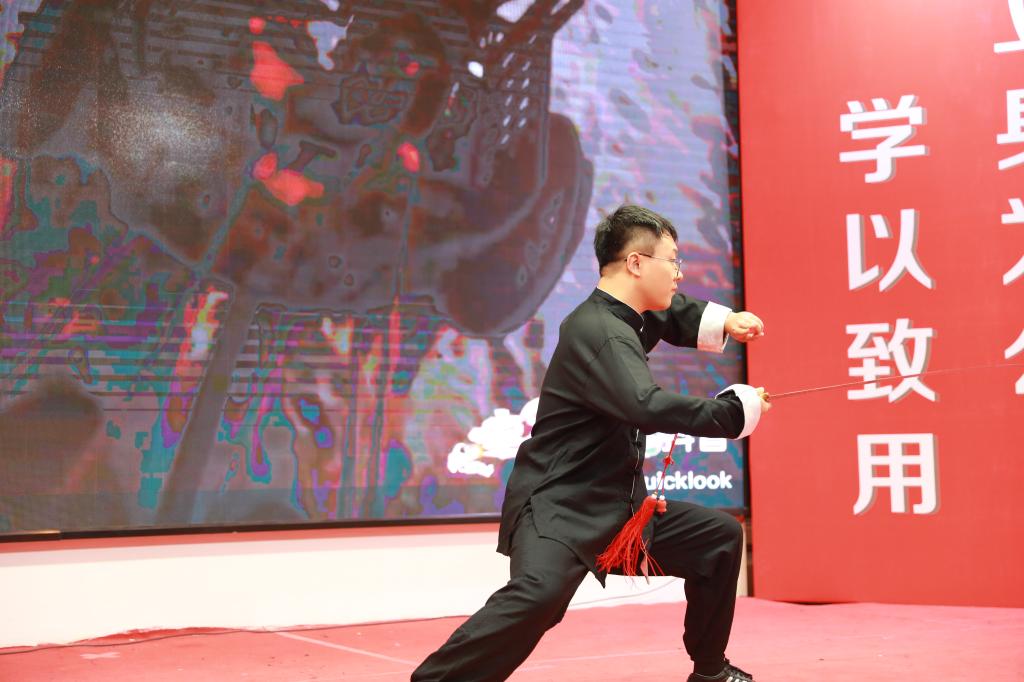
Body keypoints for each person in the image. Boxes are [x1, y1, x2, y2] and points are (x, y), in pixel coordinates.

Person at [412, 205, 771, 682]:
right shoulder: (598, 331)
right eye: (672, 261)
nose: (679, 273)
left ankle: (710, 672)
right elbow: (645, 404)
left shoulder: (632, 317)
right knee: (538, 597)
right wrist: (733, 412)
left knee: (718, 539)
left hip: (618, 512)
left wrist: (726, 321)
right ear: (636, 263)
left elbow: (671, 314)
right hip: (559, 508)